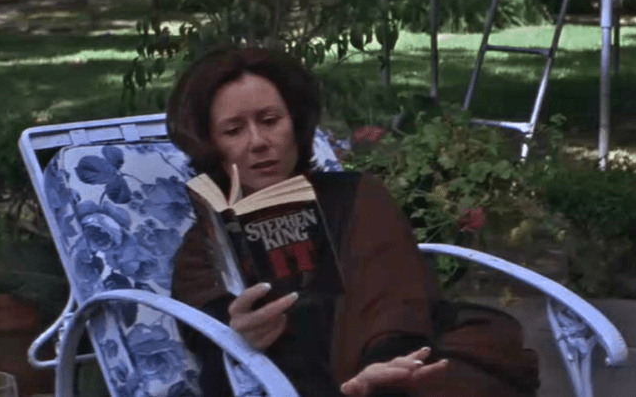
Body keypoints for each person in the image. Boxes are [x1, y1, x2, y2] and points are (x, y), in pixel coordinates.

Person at [167, 46, 539, 397]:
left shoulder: (355, 194)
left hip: (392, 351)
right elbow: (204, 335)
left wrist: (385, 360)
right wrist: (237, 331)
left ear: (295, 124)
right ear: (211, 145)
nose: (258, 141)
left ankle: (387, 377)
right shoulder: (206, 245)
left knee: (485, 336)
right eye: (234, 130)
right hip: (299, 379)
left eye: (270, 121)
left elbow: (400, 291)